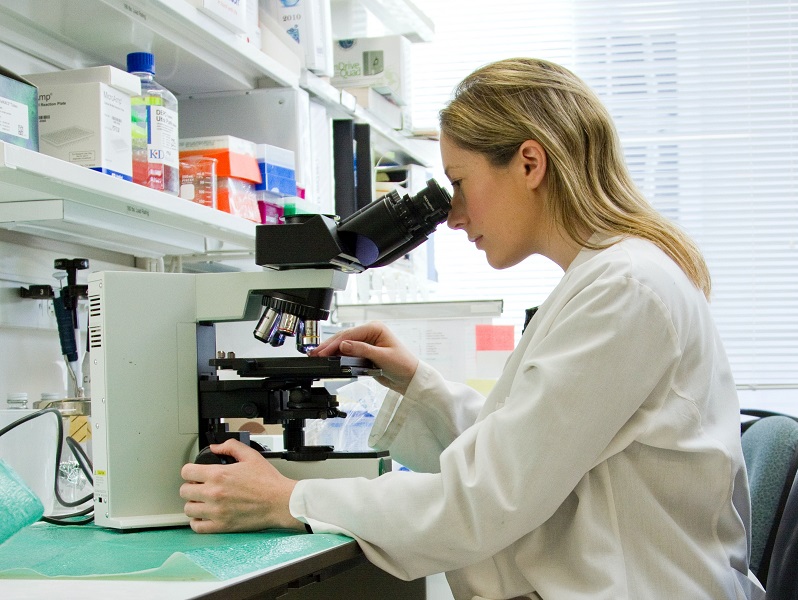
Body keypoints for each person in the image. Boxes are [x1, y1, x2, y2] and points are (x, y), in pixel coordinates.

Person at [180, 57, 765, 600]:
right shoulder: (614, 277)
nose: (454, 217)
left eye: (459, 184)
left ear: (530, 164)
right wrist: (419, 384)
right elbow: (528, 453)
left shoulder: (623, 290)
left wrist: (289, 498)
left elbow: (483, 500)